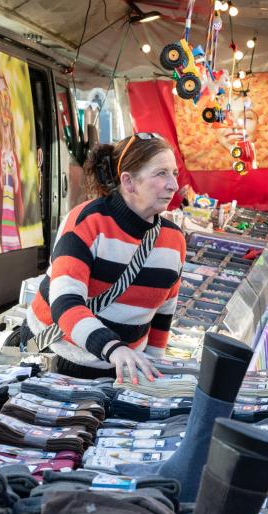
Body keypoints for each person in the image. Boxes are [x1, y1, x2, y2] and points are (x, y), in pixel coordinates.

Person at [26, 132, 185, 383]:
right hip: (60, 357)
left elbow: (164, 313)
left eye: (174, 173)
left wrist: (153, 367)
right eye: (161, 173)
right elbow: (65, 303)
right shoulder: (86, 222)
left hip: (121, 366)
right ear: (129, 182)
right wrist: (113, 347)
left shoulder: (174, 240)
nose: (173, 185)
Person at [0, 71, 26, 253]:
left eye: (4, 92)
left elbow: (18, 188)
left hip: (11, 205)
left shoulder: (13, 150)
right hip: (3, 208)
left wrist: (13, 176)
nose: (2, 99)